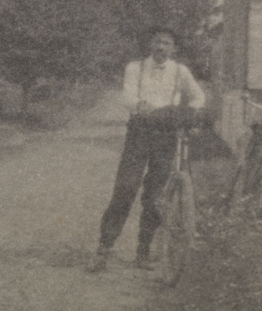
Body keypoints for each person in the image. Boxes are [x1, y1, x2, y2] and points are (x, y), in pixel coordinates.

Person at [88, 27, 205, 272]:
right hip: (140, 132)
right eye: (157, 42)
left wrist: (189, 114)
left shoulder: (180, 71)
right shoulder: (135, 68)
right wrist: (141, 106)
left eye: (166, 43)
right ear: (151, 44)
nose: (161, 47)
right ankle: (104, 248)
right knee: (125, 187)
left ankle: (143, 251)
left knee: (155, 196)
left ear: (174, 49)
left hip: (166, 136)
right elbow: (127, 97)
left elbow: (198, 97)